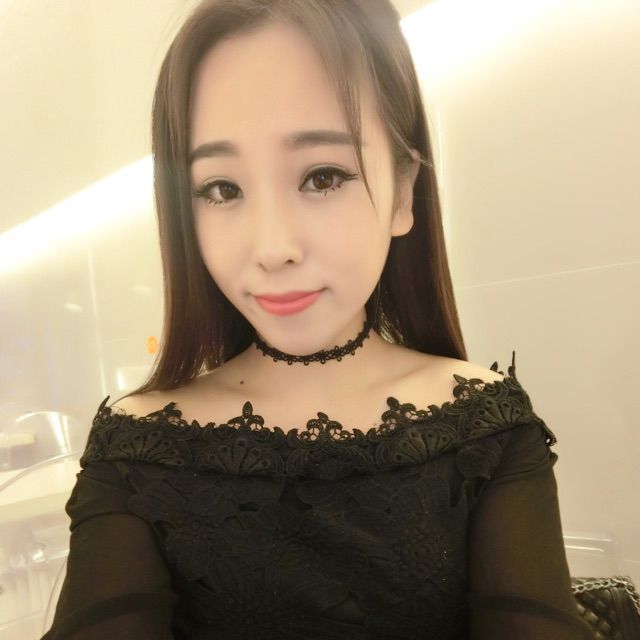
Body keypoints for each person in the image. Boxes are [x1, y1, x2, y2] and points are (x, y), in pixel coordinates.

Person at [41, 1, 593, 638]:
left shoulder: (485, 426)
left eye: (323, 176)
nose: (273, 248)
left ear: (403, 192)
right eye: (222, 189)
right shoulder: (137, 450)